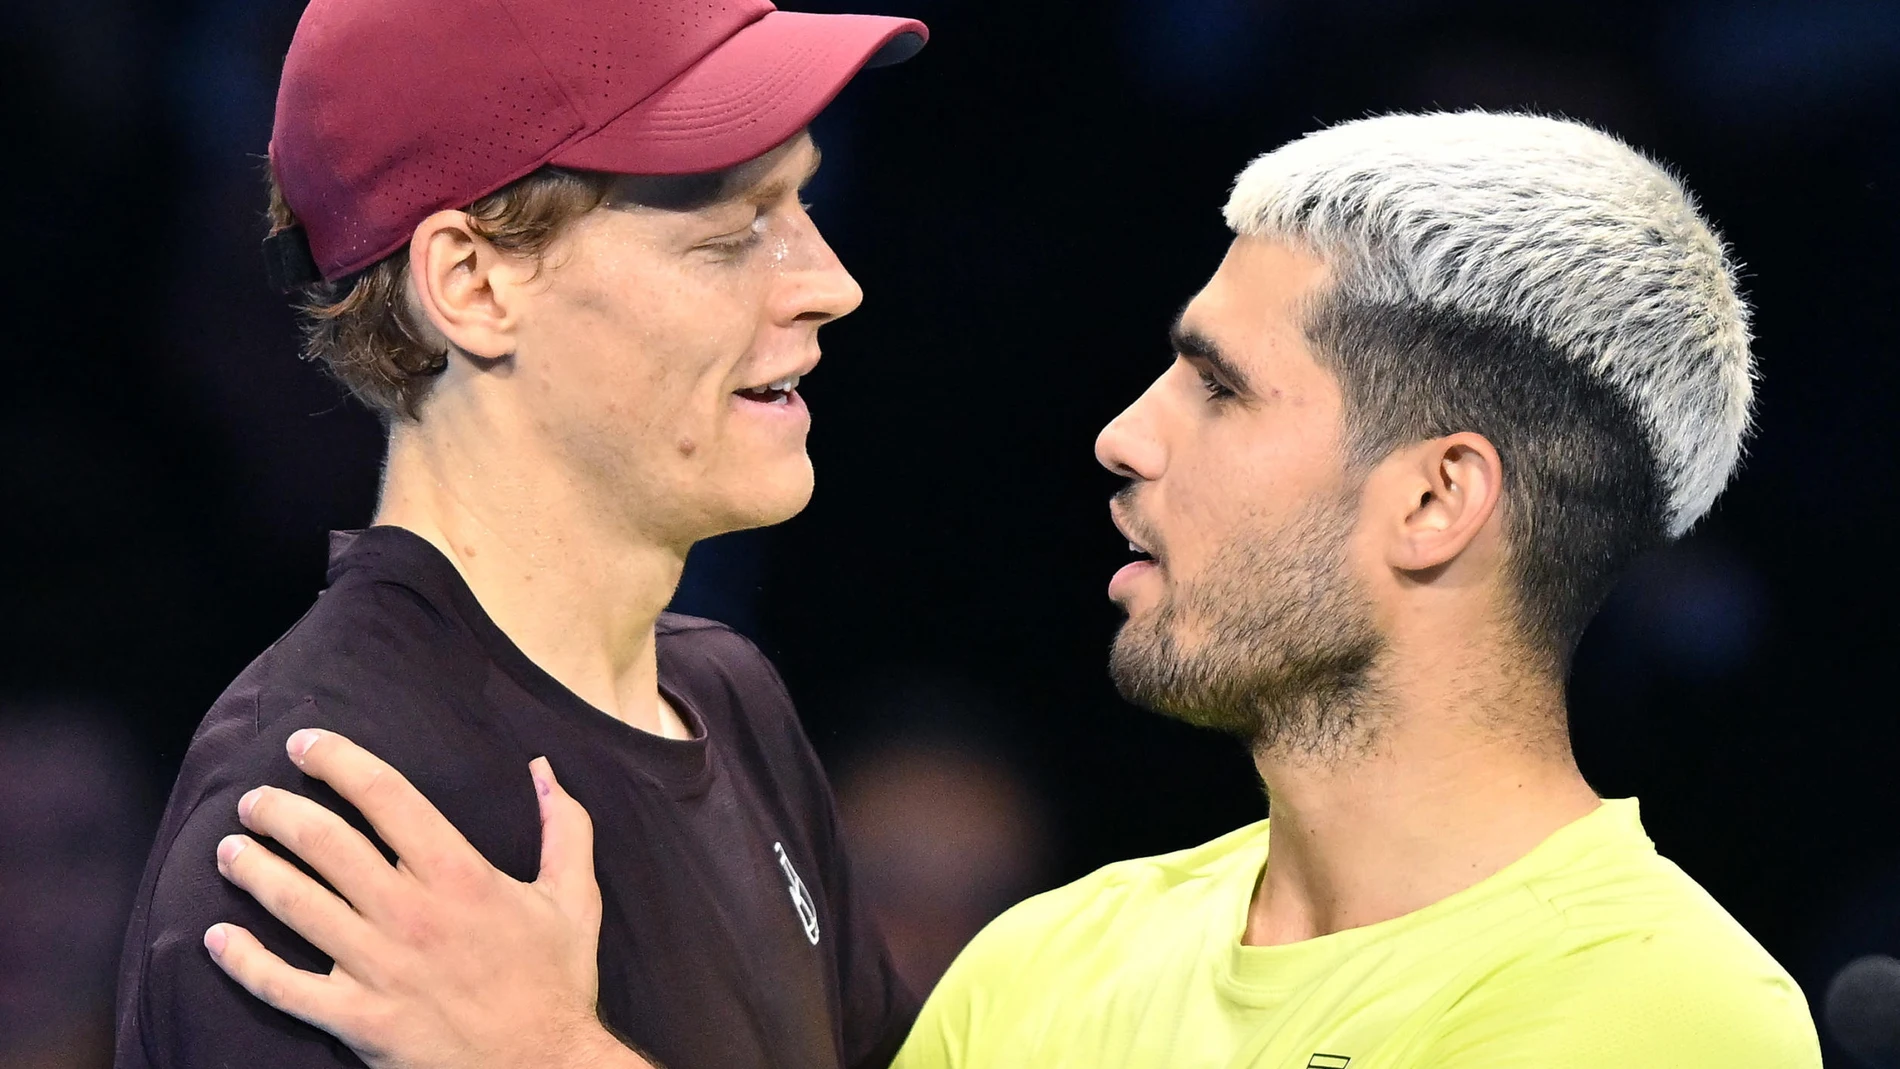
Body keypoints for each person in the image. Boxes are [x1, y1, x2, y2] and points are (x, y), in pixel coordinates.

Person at [192, 111, 1823, 1067]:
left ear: (1434, 495)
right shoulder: (1039, 970)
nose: (1124, 436)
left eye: (1220, 387)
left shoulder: (1667, 1010)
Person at [112, 0, 927, 1067]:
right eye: (731, 233)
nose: (832, 283)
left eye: (802, 200)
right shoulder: (317, 819)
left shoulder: (730, 700)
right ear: (473, 281)